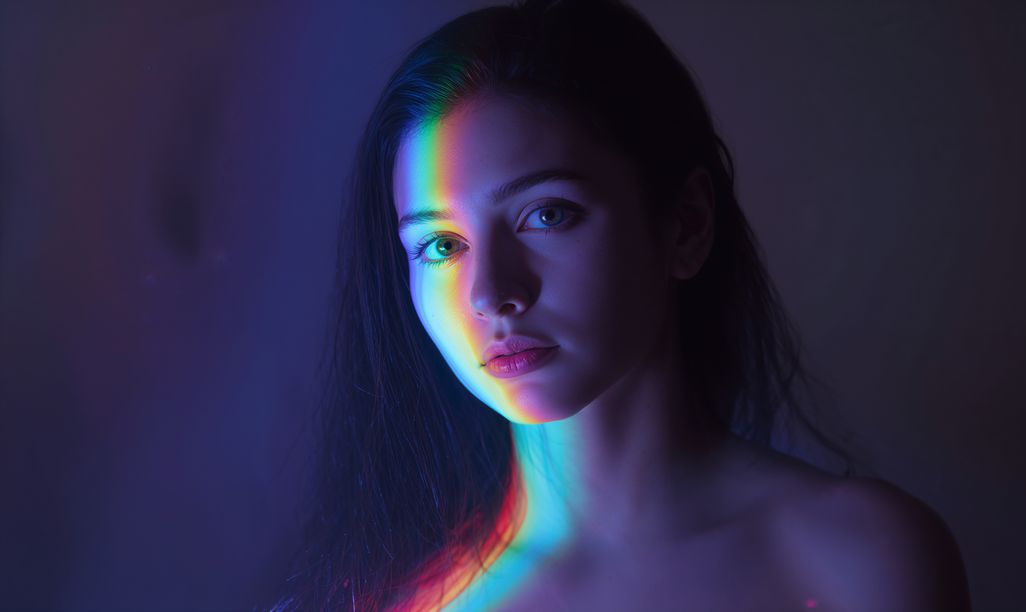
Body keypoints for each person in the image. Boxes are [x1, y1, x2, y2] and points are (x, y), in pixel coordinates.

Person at [271, 0, 971, 609]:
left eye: (547, 215)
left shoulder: (863, 559)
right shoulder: (389, 600)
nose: (492, 295)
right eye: (440, 247)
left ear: (686, 224)